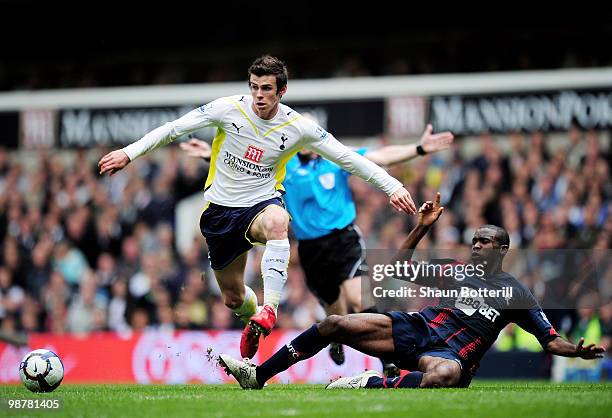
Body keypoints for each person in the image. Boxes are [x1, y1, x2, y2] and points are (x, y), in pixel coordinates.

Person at [98, 55, 417, 359]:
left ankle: (270, 309)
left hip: (261, 204)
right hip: (221, 213)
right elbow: (173, 128)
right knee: (233, 297)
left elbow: (349, 157)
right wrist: (129, 153)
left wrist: (393, 186)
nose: (259, 95)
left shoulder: (297, 127)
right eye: (254, 86)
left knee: (279, 221)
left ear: (282, 90)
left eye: (266, 88)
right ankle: (252, 316)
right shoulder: (228, 109)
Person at [218, 192, 605, 389]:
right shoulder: (455, 270)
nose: (476, 245)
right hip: (415, 329)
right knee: (334, 322)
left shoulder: (516, 294)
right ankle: (258, 376)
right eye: (474, 240)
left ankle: (368, 384)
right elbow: (398, 268)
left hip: (451, 355)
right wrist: (421, 227)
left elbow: (550, 341)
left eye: (484, 242)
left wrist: (576, 350)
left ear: (502, 250)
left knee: (446, 376)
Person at [181, 122, 454, 372]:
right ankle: (335, 339)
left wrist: (418, 148)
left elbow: (380, 156)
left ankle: (388, 361)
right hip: (312, 250)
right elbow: (247, 168)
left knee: (360, 299)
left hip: (344, 241)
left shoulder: (335, 159)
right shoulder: (285, 167)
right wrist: (210, 155)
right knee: (337, 315)